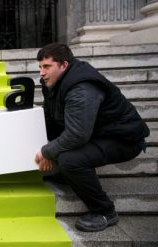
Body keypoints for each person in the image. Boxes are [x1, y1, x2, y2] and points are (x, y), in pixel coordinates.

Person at [34, 43, 149, 232]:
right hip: (96, 132)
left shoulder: (81, 88)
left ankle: (105, 211)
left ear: (63, 65)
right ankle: (66, 174)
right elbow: (49, 117)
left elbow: (77, 135)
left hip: (123, 138)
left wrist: (47, 152)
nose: (42, 72)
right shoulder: (54, 82)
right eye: (40, 67)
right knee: (54, 139)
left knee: (70, 159)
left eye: (47, 67)